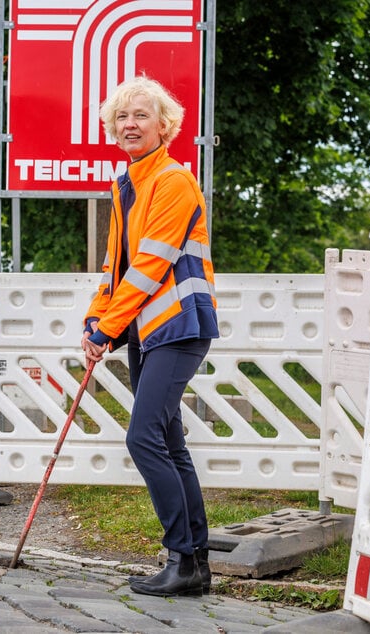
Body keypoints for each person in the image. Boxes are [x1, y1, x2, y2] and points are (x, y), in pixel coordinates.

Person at [81, 76, 218, 596]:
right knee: (167, 440)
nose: (130, 124)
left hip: (179, 325)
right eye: (121, 117)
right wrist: (96, 323)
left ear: (165, 126)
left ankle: (181, 557)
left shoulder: (173, 181)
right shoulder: (129, 183)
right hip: (149, 329)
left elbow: (151, 264)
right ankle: (195, 563)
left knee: (143, 438)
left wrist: (110, 327)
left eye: (141, 115)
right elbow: (115, 268)